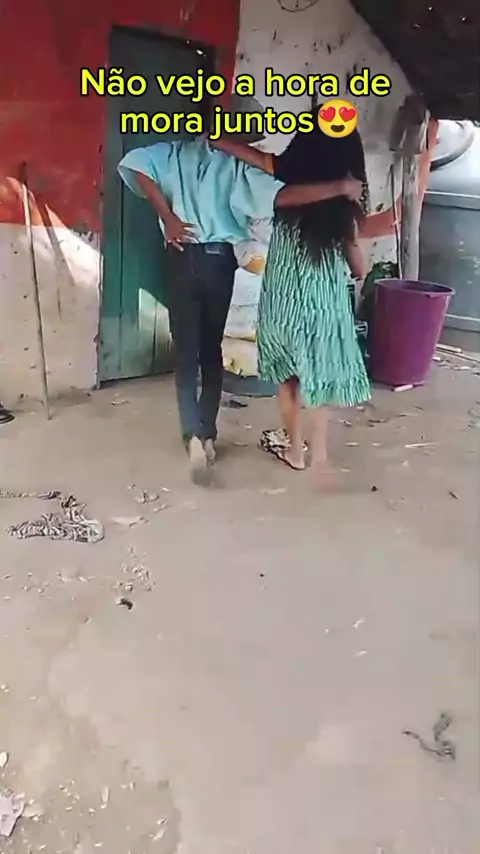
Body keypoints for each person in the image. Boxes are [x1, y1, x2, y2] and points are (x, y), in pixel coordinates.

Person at [118, 124, 362, 484]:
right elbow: (282, 196)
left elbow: (134, 164)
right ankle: (210, 435)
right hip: (219, 261)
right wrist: (340, 190)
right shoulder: (238, 167)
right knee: (211, 351)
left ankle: (193, 435)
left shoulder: (170, 153)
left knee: (186, 354)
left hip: (182, 256)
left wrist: (168, 217)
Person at [210, 118, 371, 481]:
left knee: (287, 377)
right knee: (319, 374)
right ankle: (319, 456)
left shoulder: (286, 189)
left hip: (282, 301)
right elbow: (358, 266)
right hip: (323, 305)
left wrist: (217, 139)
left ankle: (295, 451)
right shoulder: (341, 211)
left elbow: (259, 161)